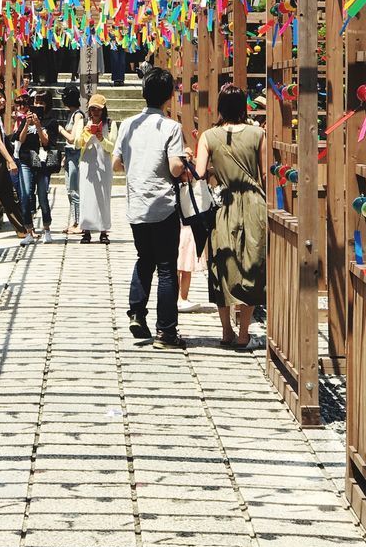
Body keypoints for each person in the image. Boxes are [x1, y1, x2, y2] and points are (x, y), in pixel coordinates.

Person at [113, 68, 190, 350]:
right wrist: (184, 163)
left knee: (144, 258)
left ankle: (136, 312)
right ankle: (166, 333)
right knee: (167, 268)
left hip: (136, 205)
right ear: (170, 96)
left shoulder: (128, 124)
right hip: (163, 205)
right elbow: (175, 167)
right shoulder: (171, 127)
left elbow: (116, 165)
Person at [194, 83, 267, 349]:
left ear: (220, 107)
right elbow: (266, 173)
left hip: (223, 202)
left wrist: (215, 168)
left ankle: (226, 331)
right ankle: (245, 333)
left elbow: (200, 173)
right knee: (252, 264)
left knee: (221, 263)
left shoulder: (208, 136)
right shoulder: (259, 133)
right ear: (244, 106)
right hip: (254, 202)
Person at [0, 88, 33, 240]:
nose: (3, 100)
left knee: (8, 197)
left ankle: (22, 229)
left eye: (3, 97)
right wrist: (11, 161)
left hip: (0, 162)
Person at [17, 90, 60, 243]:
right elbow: (20, 139)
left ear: (47, 104)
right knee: (25, 195)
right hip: (26, 159)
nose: (38, 105)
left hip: (42, 162)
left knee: (42, 196)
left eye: (41, 103)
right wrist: (27, 124)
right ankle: (29, 230)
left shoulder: (51, 121)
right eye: (36, 102)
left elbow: (46, 142)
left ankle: (47, 228)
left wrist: (39, 126)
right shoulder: (27, 118)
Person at [78, 92, 114, 244]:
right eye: (92, 109)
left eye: (98, 109)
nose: (95, 112)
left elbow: (112, 147)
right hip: (87, 164)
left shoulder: (110, 124)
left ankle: (103, 230)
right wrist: (86, 135)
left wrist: (100, 138)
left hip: (104, 163)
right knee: (86, 197)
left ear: (103, 110)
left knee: (103, 197)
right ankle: (86, 230)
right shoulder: (83, 122)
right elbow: (77, 144)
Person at [59, 83, 84, 234]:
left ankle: (78, 222)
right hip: (69, 155)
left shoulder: (78, 115)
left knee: (74, 190)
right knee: (69, 189)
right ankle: (74, 221)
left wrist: (60, 129)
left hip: (75, 155)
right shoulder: (72, 114)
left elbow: (72, 138)